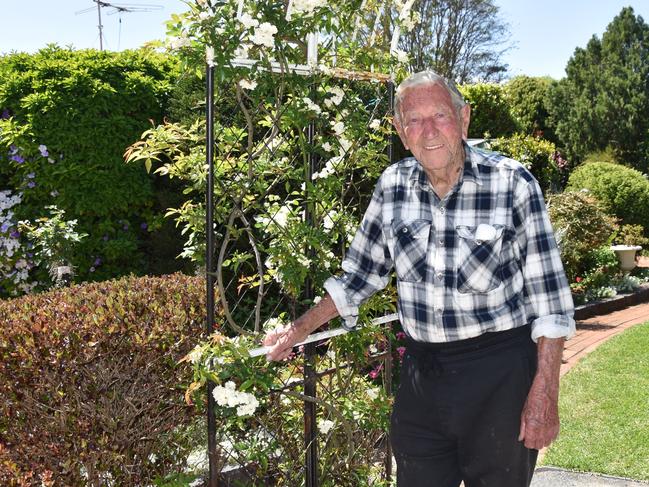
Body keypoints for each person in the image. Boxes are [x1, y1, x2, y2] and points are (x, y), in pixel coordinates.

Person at [263, 70, 575, 487]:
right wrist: (298, 329)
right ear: (400, 130)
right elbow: (359, 276)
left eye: (440, 116)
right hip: (422, 374)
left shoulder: (513, 184)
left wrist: (545, 393)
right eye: (414, 120)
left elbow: (550, 302)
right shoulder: (393, 187)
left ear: (463, 119)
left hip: (498, 374)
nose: (428, 131)